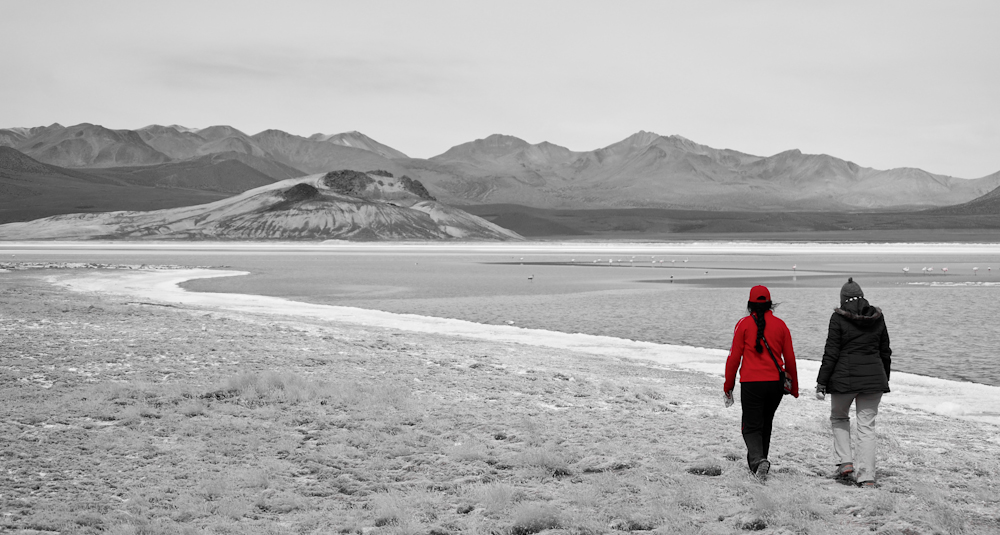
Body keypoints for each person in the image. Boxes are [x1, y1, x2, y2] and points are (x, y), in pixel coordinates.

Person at [816, 277, 891, 488]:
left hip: (843, 381)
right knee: (866, 427)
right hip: (873, 380)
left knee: (839, 417)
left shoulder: (837, 318)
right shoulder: (878, 318)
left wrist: (821, 382)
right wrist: (884, 377)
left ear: (843, 300)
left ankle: (845, 462)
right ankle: (867, 477)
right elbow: (885, 351)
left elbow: (831, 352)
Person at [724, 285, 799, 481]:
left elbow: (734, 358)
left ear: (749, 305)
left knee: (750, 427)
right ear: (770, 305)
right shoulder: (781, 325)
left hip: (752, 383)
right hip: (775, 383)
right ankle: (759, 467)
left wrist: (728, 386)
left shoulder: (743, 324)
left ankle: (758, 462)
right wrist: (794, 387)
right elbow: (790, 358)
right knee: (765, 425)